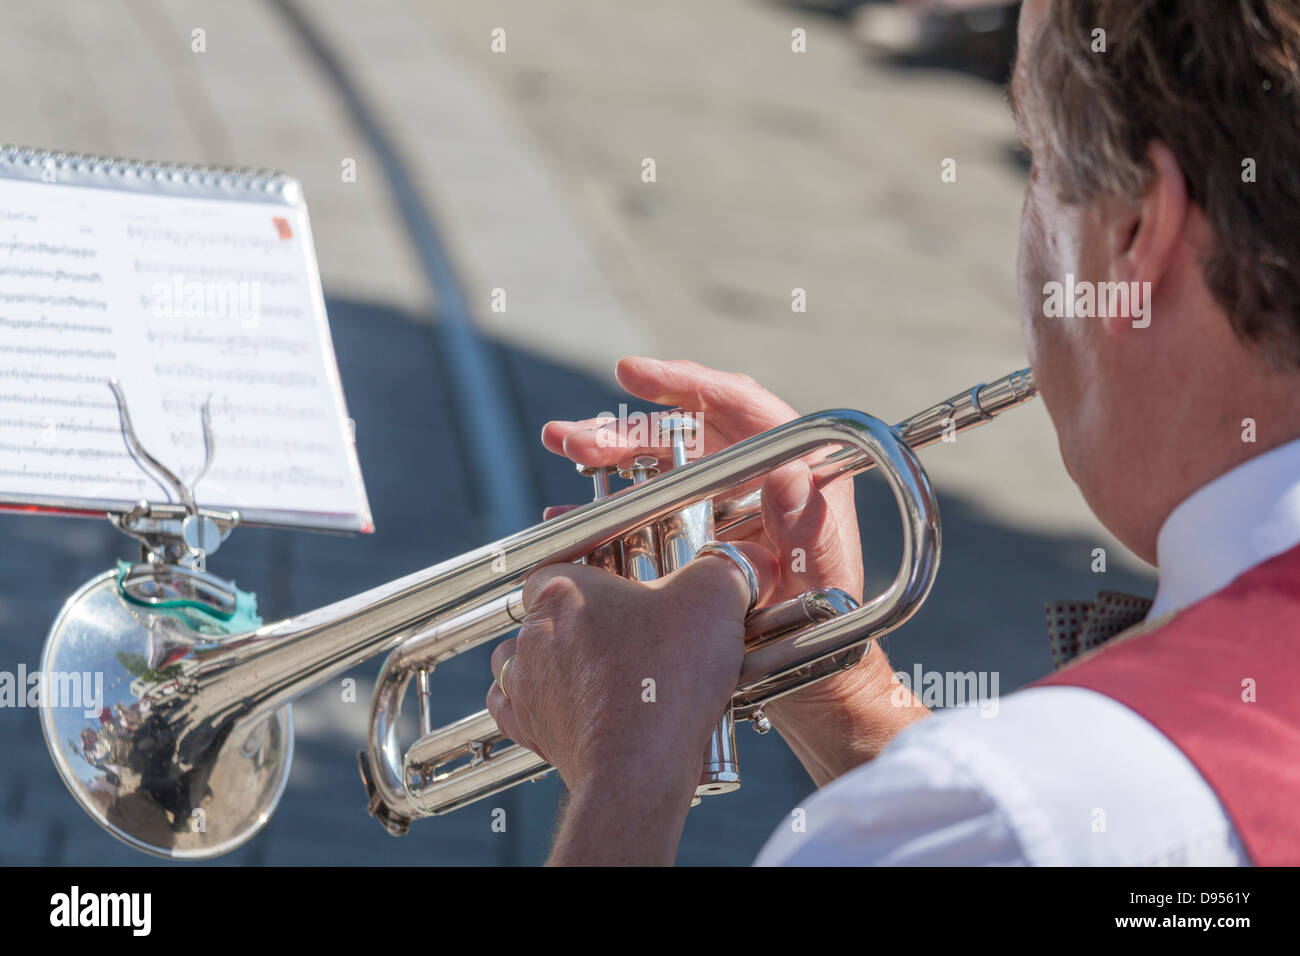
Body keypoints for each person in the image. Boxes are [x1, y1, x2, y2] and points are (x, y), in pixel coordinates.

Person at [484, 0, 1300, 866]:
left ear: (1137, 236)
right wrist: (832, 674)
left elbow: (1020, 827)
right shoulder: (1010, 811)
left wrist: (626, 764)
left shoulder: (1000, 815)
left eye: (1037, 159)